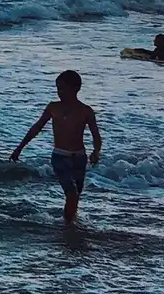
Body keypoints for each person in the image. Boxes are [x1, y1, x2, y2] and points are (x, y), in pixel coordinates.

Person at [10, 69, 104, 227]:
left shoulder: (85, 111)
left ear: (75, 88)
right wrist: (19, 148)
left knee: (75, 195)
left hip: (79, 158)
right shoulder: (54, 107)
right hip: (60, 156)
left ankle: (71, 223)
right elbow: (37, 127)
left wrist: (96, 152)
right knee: (72, 193)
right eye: (57, 88)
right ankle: (68, 227)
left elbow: (96, 135)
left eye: (62, 88)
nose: (59, 92)